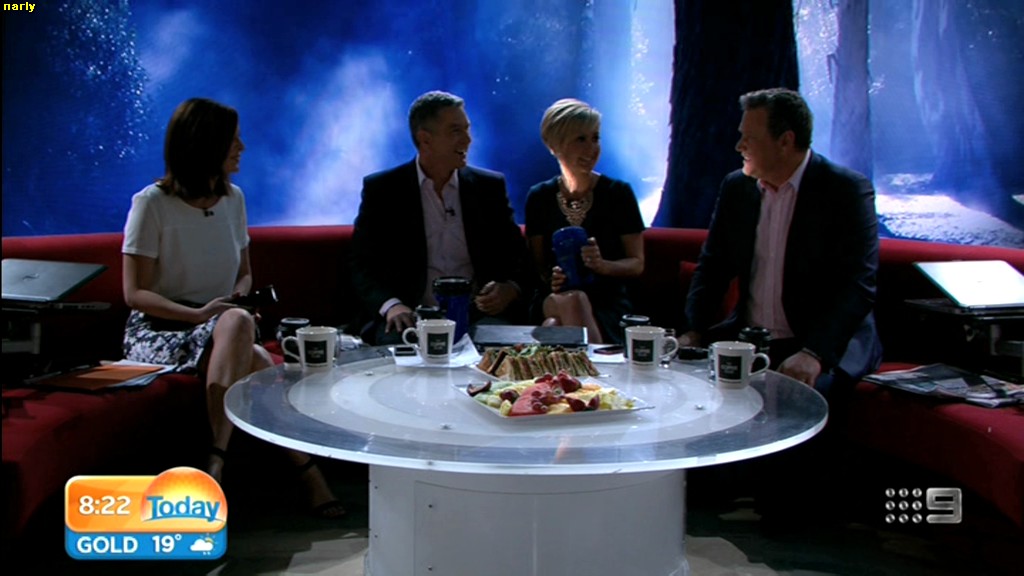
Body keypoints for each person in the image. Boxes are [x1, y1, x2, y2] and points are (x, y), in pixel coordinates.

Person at [121, 98, 344, 517]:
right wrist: (200, 315)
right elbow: (135, 293)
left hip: (222, 323)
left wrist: (239, 301)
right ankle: (294, 473)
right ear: (204, 144)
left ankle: (216, 466)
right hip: (162, 327)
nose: (241, 147)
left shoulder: (234, 199)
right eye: (232, 140)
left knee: (244, 334)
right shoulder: (151, 203)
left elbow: (244, 273)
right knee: (256, 356)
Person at [680, 87, 882, 393]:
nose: (738, 146)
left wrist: (814, 353)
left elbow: (858, 284)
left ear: (785, 141)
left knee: (795, 399)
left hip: (823, 344)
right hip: (749, 340)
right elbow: (713, 266)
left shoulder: (845, 189)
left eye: (749, 138)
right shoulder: (737, 187)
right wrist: (694, 330)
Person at [351, 90, 531, 344]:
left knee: (500, 344)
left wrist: (510, 288)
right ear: (425, 139)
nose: (468, 140)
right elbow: (361, 265)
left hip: (478, 315)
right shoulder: (384, 190)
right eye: (456, 131)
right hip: (411, 316)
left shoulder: (488, 187)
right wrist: (391, 305)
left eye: (467, 129)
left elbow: (518, 255)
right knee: (398, 346)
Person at [524, 98, 645, 344]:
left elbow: (636, 264)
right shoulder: (539, 197)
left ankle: (566, 367)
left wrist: (602, 265)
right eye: (580, 139)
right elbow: (537, 267)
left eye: (595, 138)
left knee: (553, 326)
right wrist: (552, 277)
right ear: (555, 145)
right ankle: (599, 365)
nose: (592, 148)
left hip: (607, 301)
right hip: (553, 296)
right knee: (573, 299)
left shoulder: (618, 193)